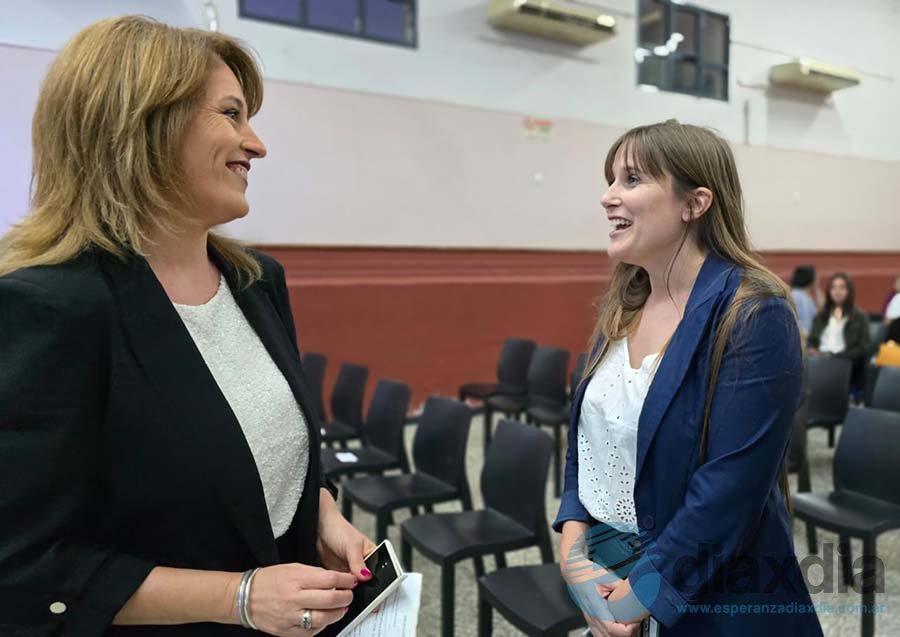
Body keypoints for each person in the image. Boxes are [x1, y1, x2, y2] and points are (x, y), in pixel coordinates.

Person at [0, 16, 375, 636]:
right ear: (142, 125)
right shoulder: (51, 308)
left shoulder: (256, 282)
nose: (256, 144)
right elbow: (26, 568)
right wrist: (238, 596)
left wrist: (320, 515)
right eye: (231, 114)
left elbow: (266, 449)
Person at [554, 120, 822, 636]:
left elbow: (727, 493)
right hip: (609, 571)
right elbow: (584, 442)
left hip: (714, 598)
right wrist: (574, 554)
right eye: (610, 180)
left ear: (695, 203)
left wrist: (635, 598)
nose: (608, 197)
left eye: (632, 179)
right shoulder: (624, 305)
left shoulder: (752, 313)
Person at [807, 272, 870, 393]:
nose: (837, 291)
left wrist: (833, 356)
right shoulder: (821, 316)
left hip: (845, 362)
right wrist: (811, 349)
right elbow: (812, 341)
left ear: (849, 291)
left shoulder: (860, 317)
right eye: (833, 287)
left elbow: (862, 348)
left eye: (842, 287)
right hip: (819, 361)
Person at [789, 265, 819, 336]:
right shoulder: (798, 296)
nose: (818, 280)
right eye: (816, 278)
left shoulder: (805, 297)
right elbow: (802, 323)